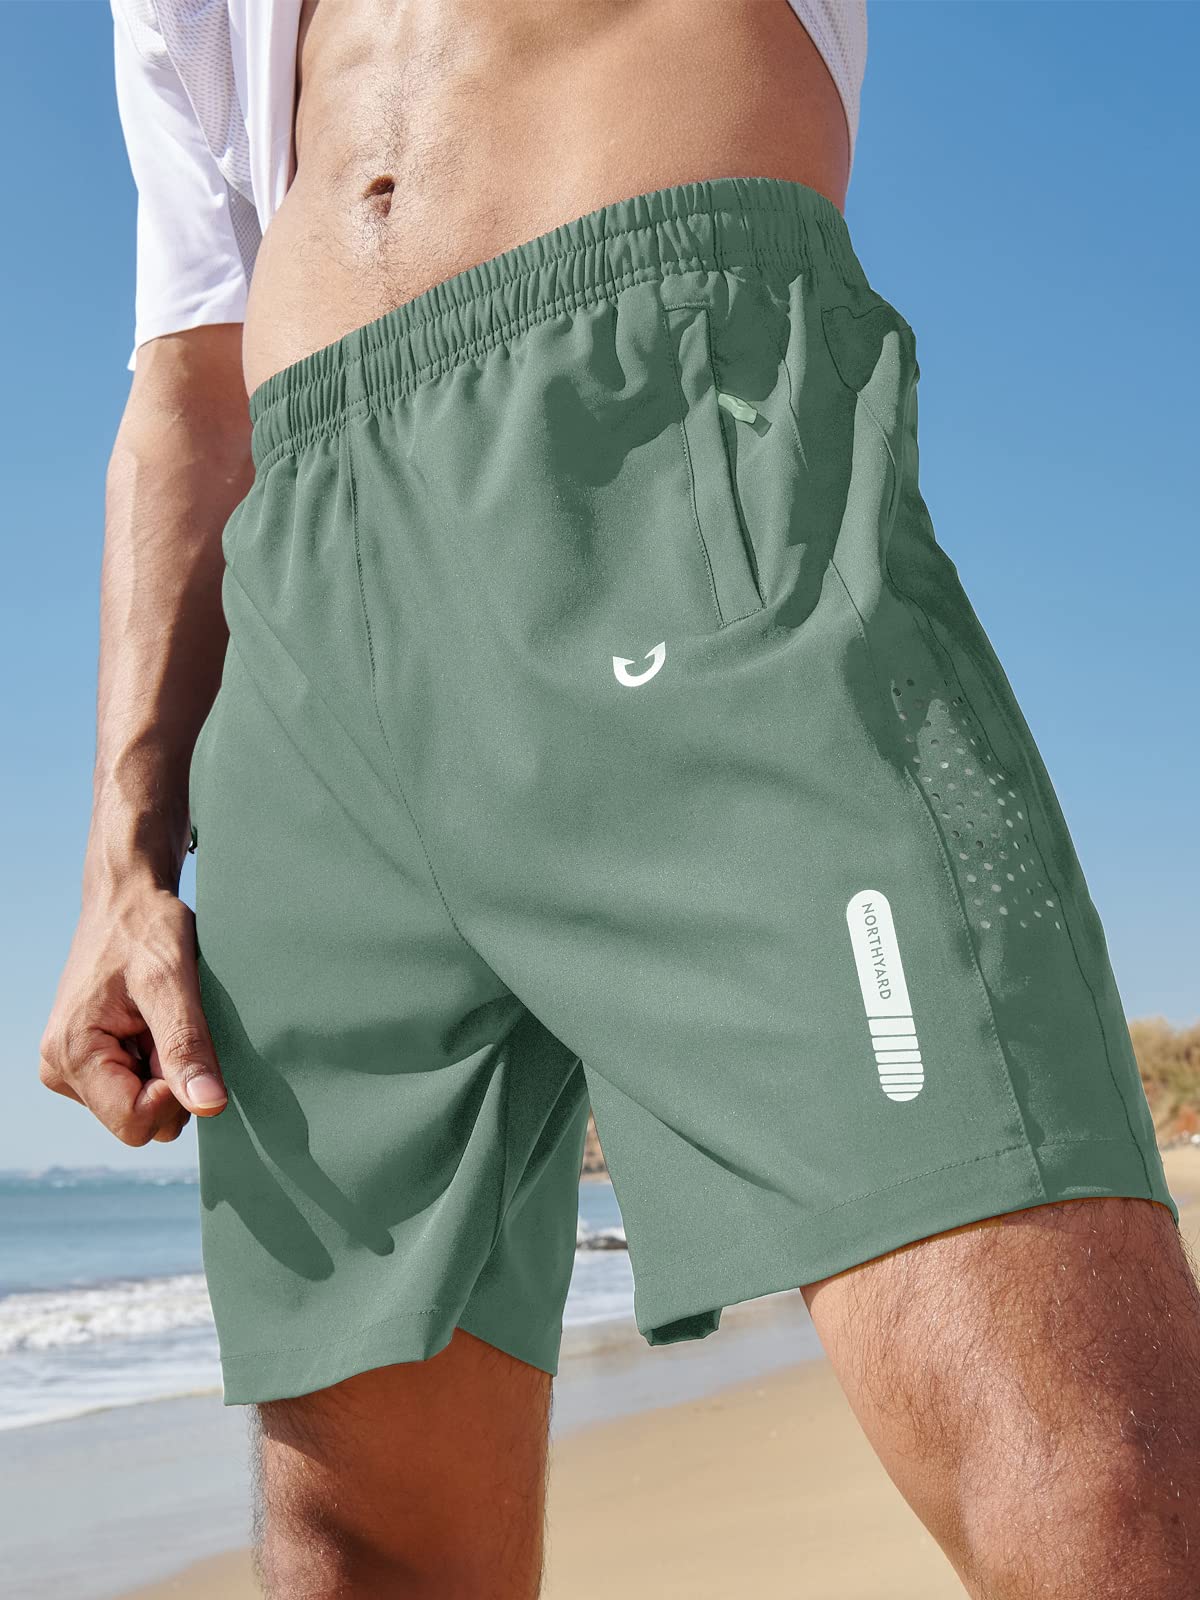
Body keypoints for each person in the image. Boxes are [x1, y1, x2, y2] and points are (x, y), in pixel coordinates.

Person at [40, 2, 1200, 1595]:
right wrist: (121, 861)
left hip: (667, 436)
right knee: (360, 1549)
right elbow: (185, 373)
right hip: (303, 618)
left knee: (1091, 1481)